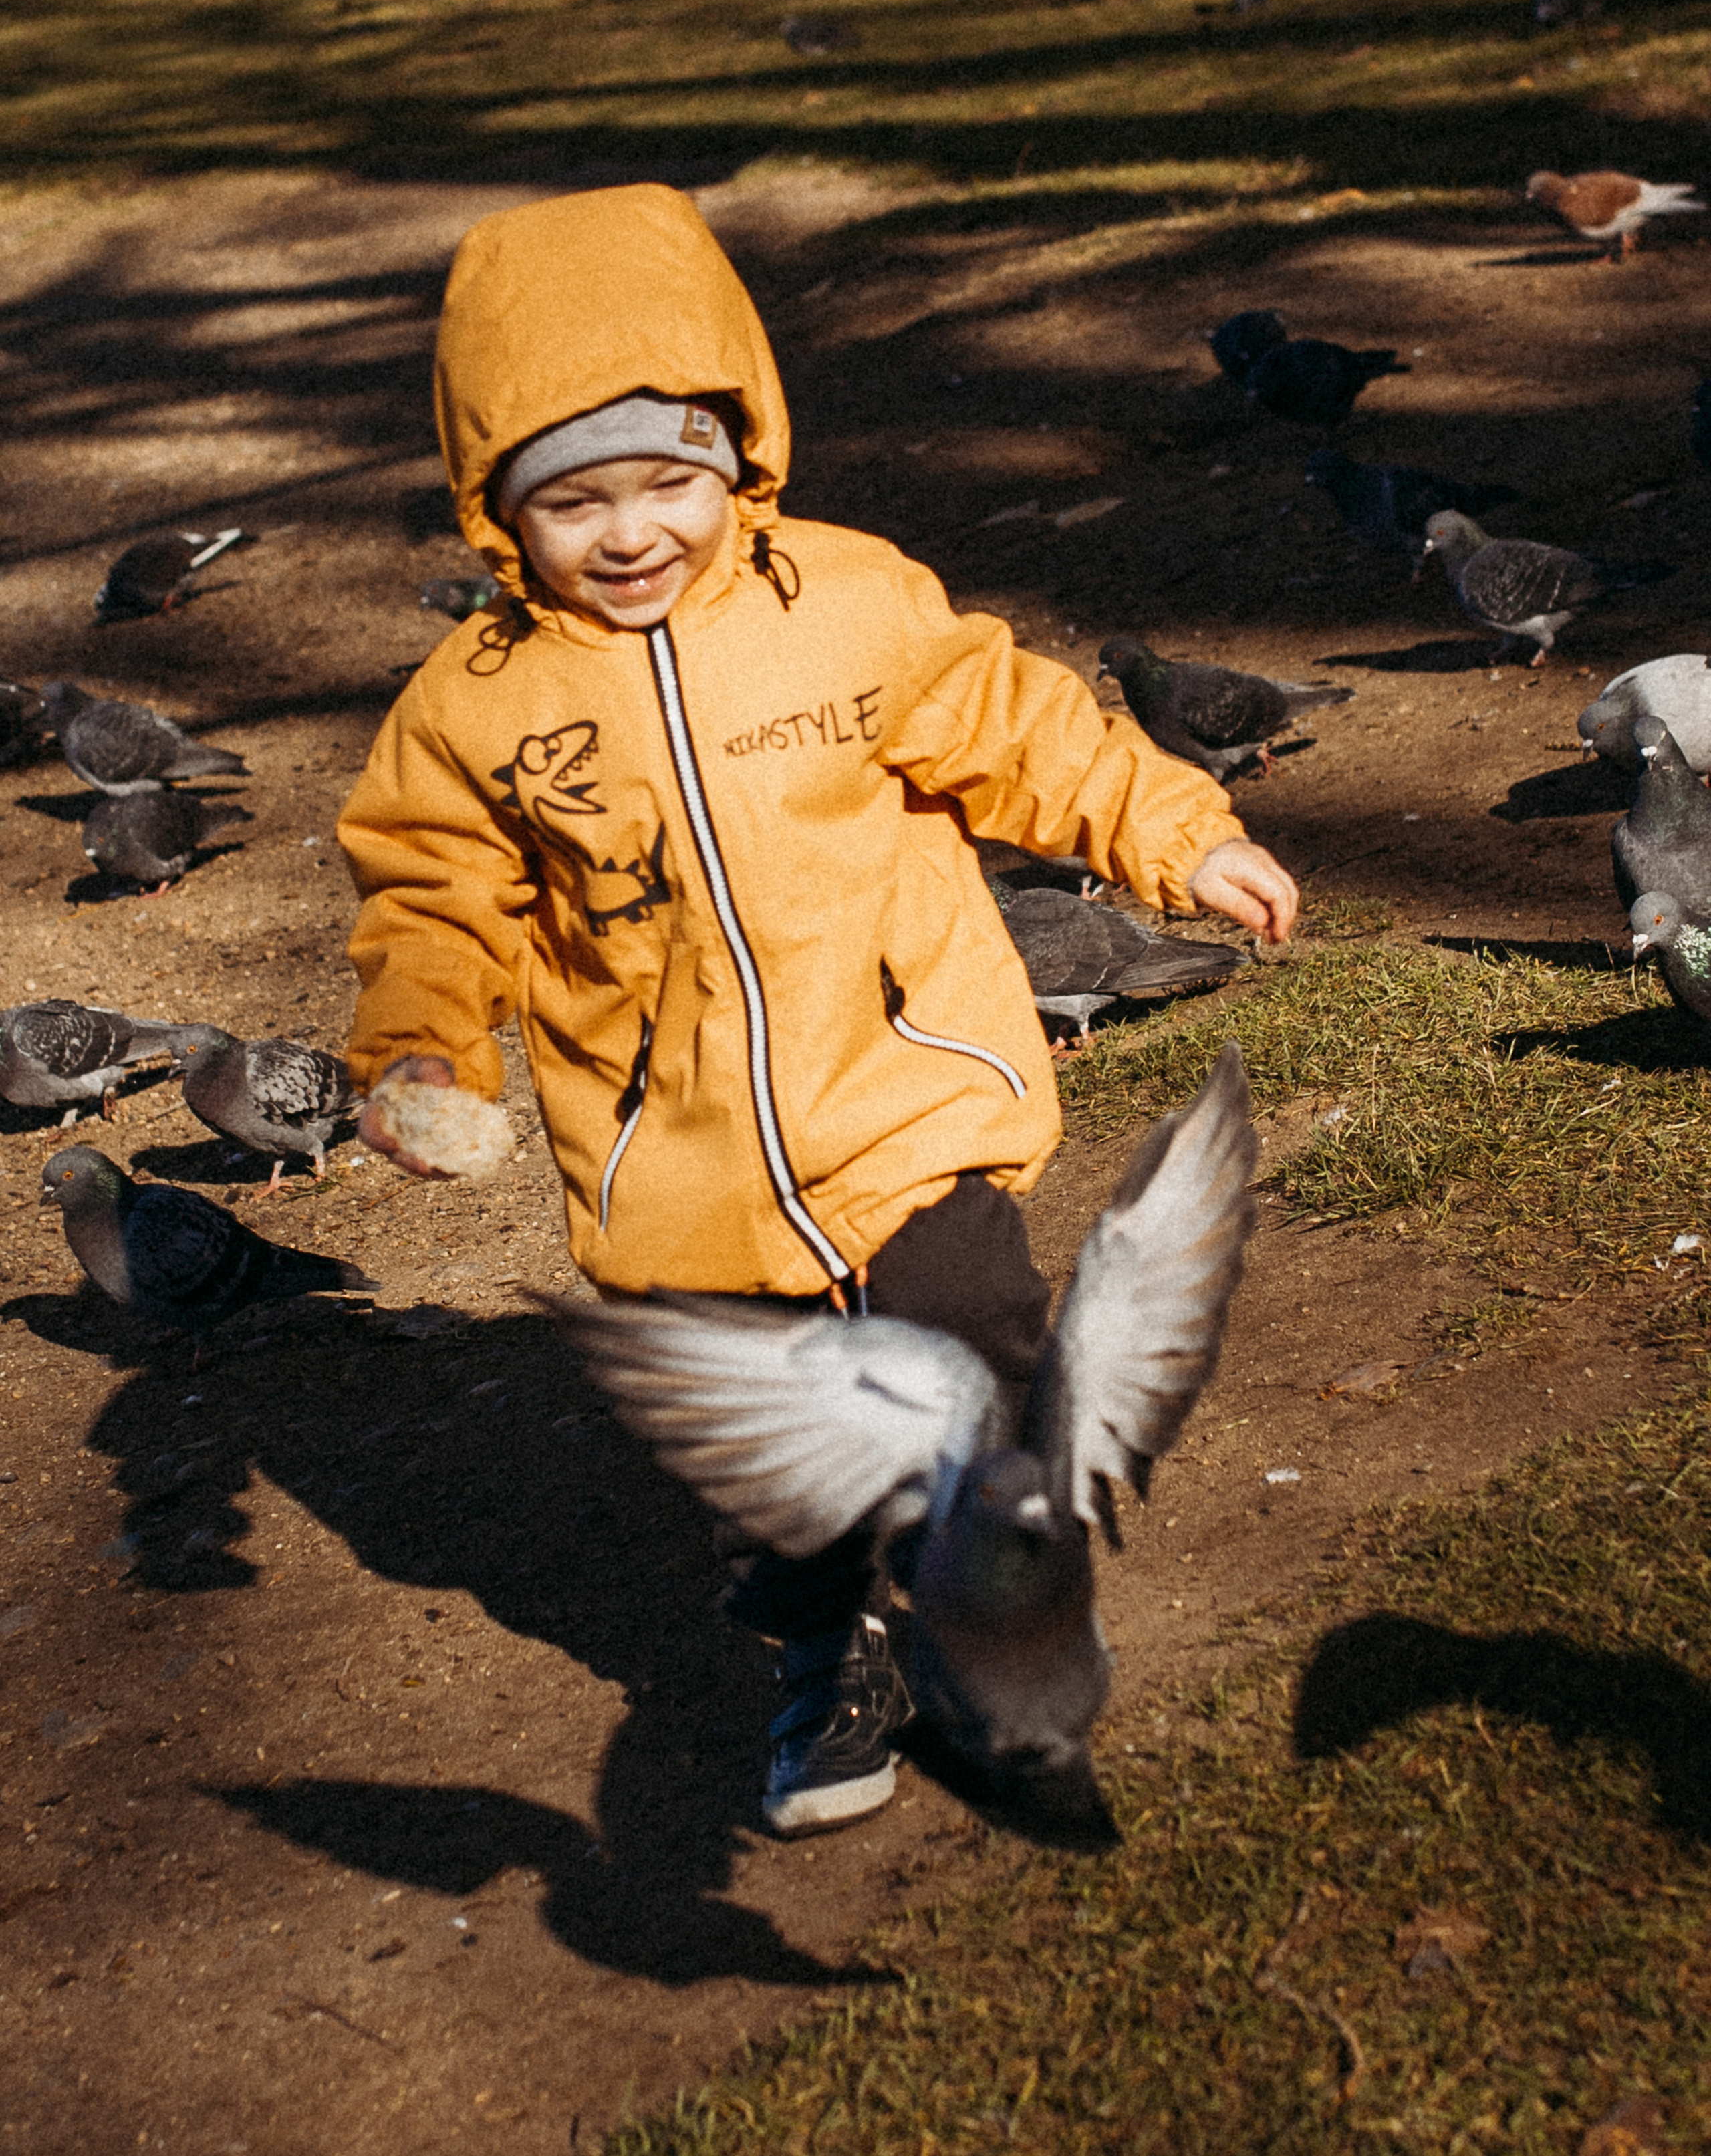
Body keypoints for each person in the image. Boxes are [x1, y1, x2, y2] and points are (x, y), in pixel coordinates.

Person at [338, 184, 1297, 1839]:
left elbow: (1021, 729)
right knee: (777, 1475)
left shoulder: (849, 605)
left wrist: (1176, 832)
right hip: (681, 1169)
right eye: (573, 502)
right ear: (496, 512)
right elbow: (431, 896)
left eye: (670, 480)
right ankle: (825, 1655)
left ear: (736, 457)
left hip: (902, 1101)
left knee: (986, 1366)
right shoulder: (474, 708)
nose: (631, 532)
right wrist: (419, 1045)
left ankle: (1004, 1616)